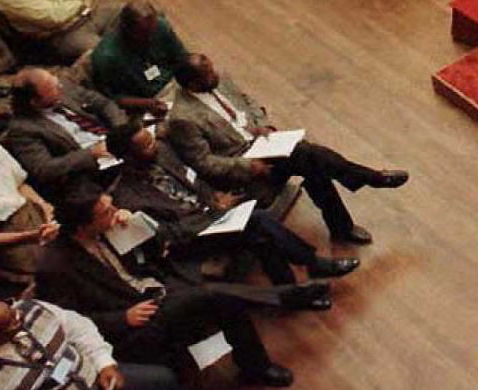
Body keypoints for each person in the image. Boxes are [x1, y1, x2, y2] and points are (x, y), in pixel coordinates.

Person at [36, 185, 295, 387]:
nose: (114, 211)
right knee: (215, 295)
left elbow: (157, 250)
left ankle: (256, 364)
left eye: (111, 205)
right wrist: (121, 318)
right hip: (134, 319)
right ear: (83, 225)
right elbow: (69, 321)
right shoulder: (56, 267)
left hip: (159, 287)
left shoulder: (109, 228)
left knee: (219, 296)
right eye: (106, 211)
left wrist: (135, 226)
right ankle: (286, 301)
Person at [164, 52, 408, 244]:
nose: (215, 74)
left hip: (263, 145)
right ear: (193, 84)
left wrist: (262, 124)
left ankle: (351, 212)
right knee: (309, 157)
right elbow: (204, 162)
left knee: (311, 160)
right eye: (208, 75)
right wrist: (248, 166)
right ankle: (366, 185)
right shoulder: (182, 118)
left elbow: (248, 102)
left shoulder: (219, 79)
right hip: (243, 168)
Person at [104, 121, 358, 287]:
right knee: (257, 222)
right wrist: (214, 214)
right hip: (193, 237)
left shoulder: (164, 152)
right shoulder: (127, 196)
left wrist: (215, 197)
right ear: (127, 156)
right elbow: (168, 233)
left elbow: (195, 178)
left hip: (216, 210)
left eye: (151, 139)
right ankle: (312, 264)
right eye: (146, 146)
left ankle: (291, 290)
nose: (155, 146)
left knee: (260, 234)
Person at [0, 298, 194, 390]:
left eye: (11, 309)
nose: (20, 315)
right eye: (12, 322)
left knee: (161, 381)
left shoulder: (29, 308)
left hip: (100, 382)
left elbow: (79, 328)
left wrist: (104, 364)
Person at [0, 67, 124, 202]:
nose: (59, 86)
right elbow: (45, 169)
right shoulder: (22, 129)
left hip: (111, 140)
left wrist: (121, 130)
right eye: (51, 88)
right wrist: (91, 153)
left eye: (54, 79)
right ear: (35, 102)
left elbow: (105, 104)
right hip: (91, 167)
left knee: (137, 138)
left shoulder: (63, 86)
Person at [0, 108, 59, 284]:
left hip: (32, 213)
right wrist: (30, 236)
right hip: (4, 238)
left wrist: (44, 206)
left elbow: (21, 185)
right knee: (51, 271)